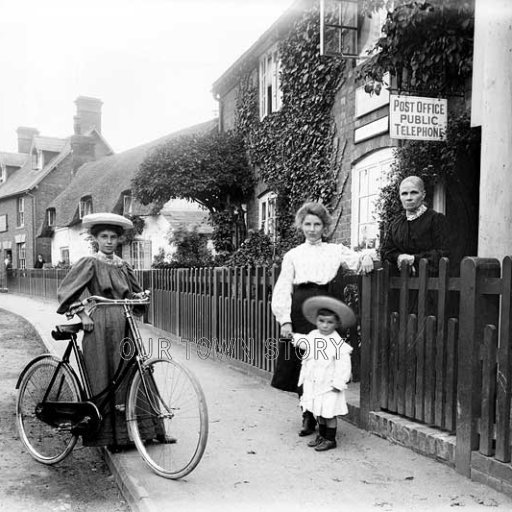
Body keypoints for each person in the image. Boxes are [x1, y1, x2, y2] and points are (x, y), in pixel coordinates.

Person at [271, 201, 374, 437]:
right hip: (299, 308)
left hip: (325, 308)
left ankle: (322, 416)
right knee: (301, 364)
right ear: (301, 225)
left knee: (323, 363)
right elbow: (283, 287)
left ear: (324, 226)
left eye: (317, 224)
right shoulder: (293, 255)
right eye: (307, 224)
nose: (312, 229)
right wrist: (285, 320)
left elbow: (358, 261)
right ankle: (307, 415)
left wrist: (368, 256)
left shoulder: (334, 250)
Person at [56, 212, 154, 451]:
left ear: (119, 240)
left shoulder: (123, 266)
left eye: (113, 237)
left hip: (125, 323)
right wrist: (83, 315)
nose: (109, 241)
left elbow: (134, 296)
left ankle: (144, 433)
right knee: (104, 373)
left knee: (133, 371)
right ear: (96, 239)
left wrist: (140, 297)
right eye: (104, 237)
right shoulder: (90, 263)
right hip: (99, 324)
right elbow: (67, 291)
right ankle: (110, 437)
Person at [292, 296, 355, 452]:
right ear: (316, 321)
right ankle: (321, 435)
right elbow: (305, 342)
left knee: (329, 412)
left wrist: (339, 383)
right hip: (315, 382)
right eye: (321, 321)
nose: (325, 325)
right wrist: (293, 336)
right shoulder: (314, 335)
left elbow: (344, 366)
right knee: (318, 410)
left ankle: (330, 439)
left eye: (330, 322)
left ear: (337, 324)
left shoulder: (338, 344)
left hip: (329, 384)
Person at [380, 176, 449, 275]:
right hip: (399, 284)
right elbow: (385, 252)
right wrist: (399, 257)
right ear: (400, 196)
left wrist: (414, 259)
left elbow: (444, 252)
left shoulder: (436, 219)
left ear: (423, 195)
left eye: (414, 192)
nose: (409, 198)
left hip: (430, 283)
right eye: (404, 194)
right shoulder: (396, 224)